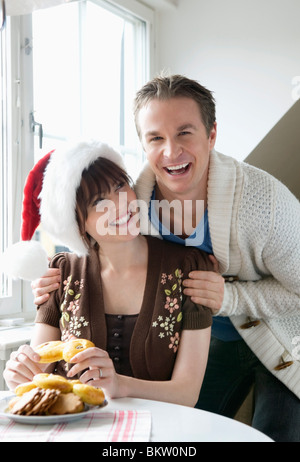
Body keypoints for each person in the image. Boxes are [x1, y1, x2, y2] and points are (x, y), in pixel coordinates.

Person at [30, 75, 300, 442]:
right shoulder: (132, 202)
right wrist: (55, 277)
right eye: (156, 137)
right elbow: (88, 227)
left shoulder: (265, 204)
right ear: (142, 143)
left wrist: (230, 298)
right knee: (182, 436)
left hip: (286, 336)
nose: (171, 152)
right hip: (210, 338)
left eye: (185, 133)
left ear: (212, 134)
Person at [3, 140, 213, 407]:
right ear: (78, 224)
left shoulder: (187, 268)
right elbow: (39, 373)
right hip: (75, 430)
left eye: (119, 186)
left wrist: (118, 385)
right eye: (99, 201)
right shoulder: (62, 273)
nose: (121, 204)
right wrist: (22, 376)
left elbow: (186, 394)